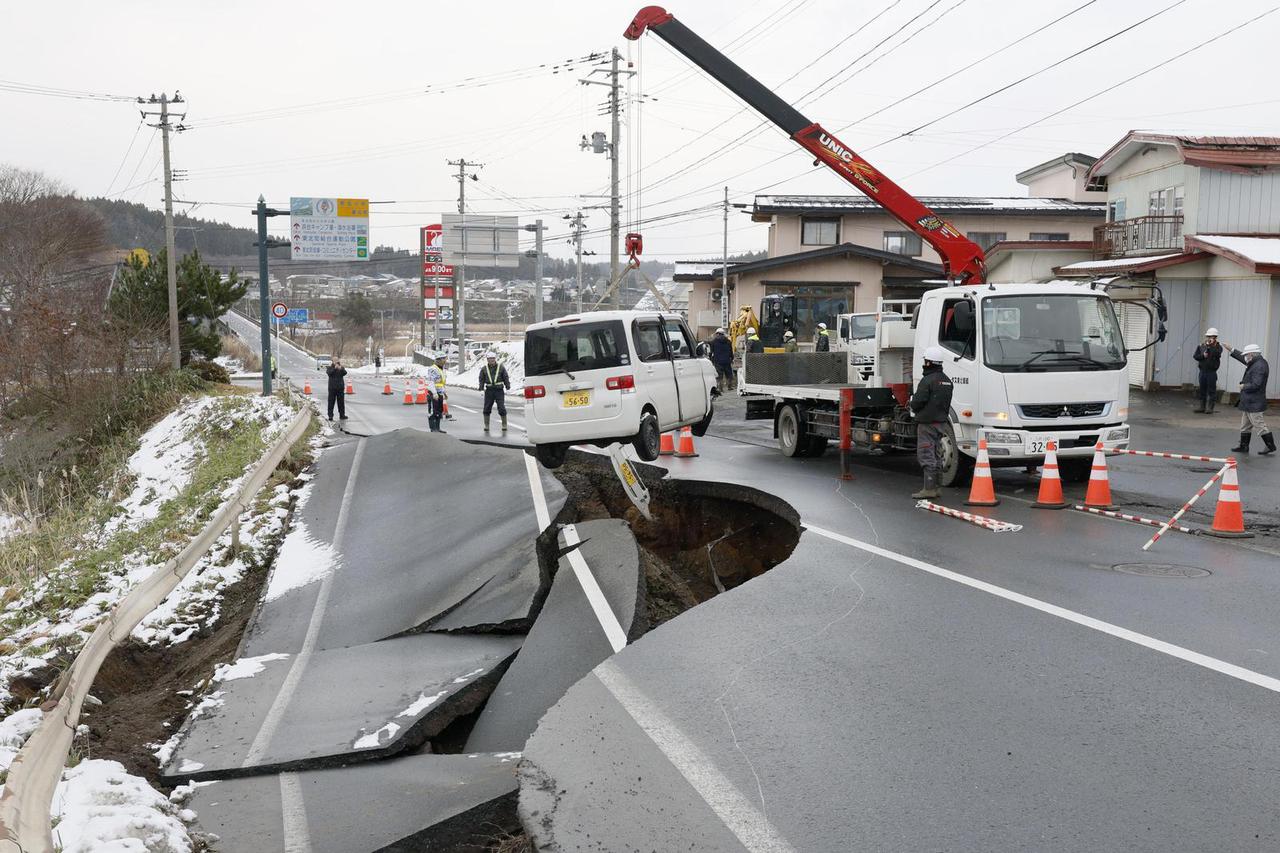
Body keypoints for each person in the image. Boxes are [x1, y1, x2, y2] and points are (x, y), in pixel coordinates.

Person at [909, 346, 954, 498]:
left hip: (927, 423)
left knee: (926, 453)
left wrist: (913, 405)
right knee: (937, 453)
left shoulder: (927, 380)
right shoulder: (947, 380)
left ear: (928, 363)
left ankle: (928, 489)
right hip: (941, 422)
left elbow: (918, 402)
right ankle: (937, 488)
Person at [1223, 342, 1273, 455]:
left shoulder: (1260, 366)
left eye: (1247, 354)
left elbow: (1257, 384)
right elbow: (1242, 358)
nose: (1245, 356)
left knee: (1259, 424)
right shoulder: (1255, 361)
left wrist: (1243, 386)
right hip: (1249, 401)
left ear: (1251, 354)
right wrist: (1231, 349)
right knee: (1245, 425)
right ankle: (1243, 446)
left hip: (1254, 401)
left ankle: (1270, 445)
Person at [479, 351, 511, 433]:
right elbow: (481, 379)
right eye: (490, 359)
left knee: (501, 407)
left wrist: (508, 387)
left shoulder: (501, 367)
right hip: (489, 391)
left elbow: (505, 377)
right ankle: (487, 425)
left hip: (499, 391)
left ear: (495, 359)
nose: (491, 360)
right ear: (487, 359)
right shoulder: (484, 369)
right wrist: (481, 389)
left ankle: (504, 424)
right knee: (486, 408)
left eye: (493, 358)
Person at [1192, 328, 1222, 413]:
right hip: (1202, 371)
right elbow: (1195, 356)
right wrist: (1203, 356)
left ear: (1215, 337)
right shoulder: (1201, 346)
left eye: (1211, 337)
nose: (1209, 338)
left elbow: (1217, 354)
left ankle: (1210, 408)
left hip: (1211, 372)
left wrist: (1210, 346)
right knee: (1202, 389)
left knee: (1211, 390)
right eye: (1208, 336)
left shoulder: (1218, 347)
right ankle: (1202, 407)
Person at [425, 353, 448, 433]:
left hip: (440, 393)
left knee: (439, 411)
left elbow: (441, 383)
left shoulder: (441, 369)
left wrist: (444, 392)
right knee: (433, 411)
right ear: (439, 359)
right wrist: (434, 393)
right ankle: (433, 429)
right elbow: (431, 382)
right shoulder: (433, 369)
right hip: (433, 393)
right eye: (444, 359)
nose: (445, 360)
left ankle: (437, 428)